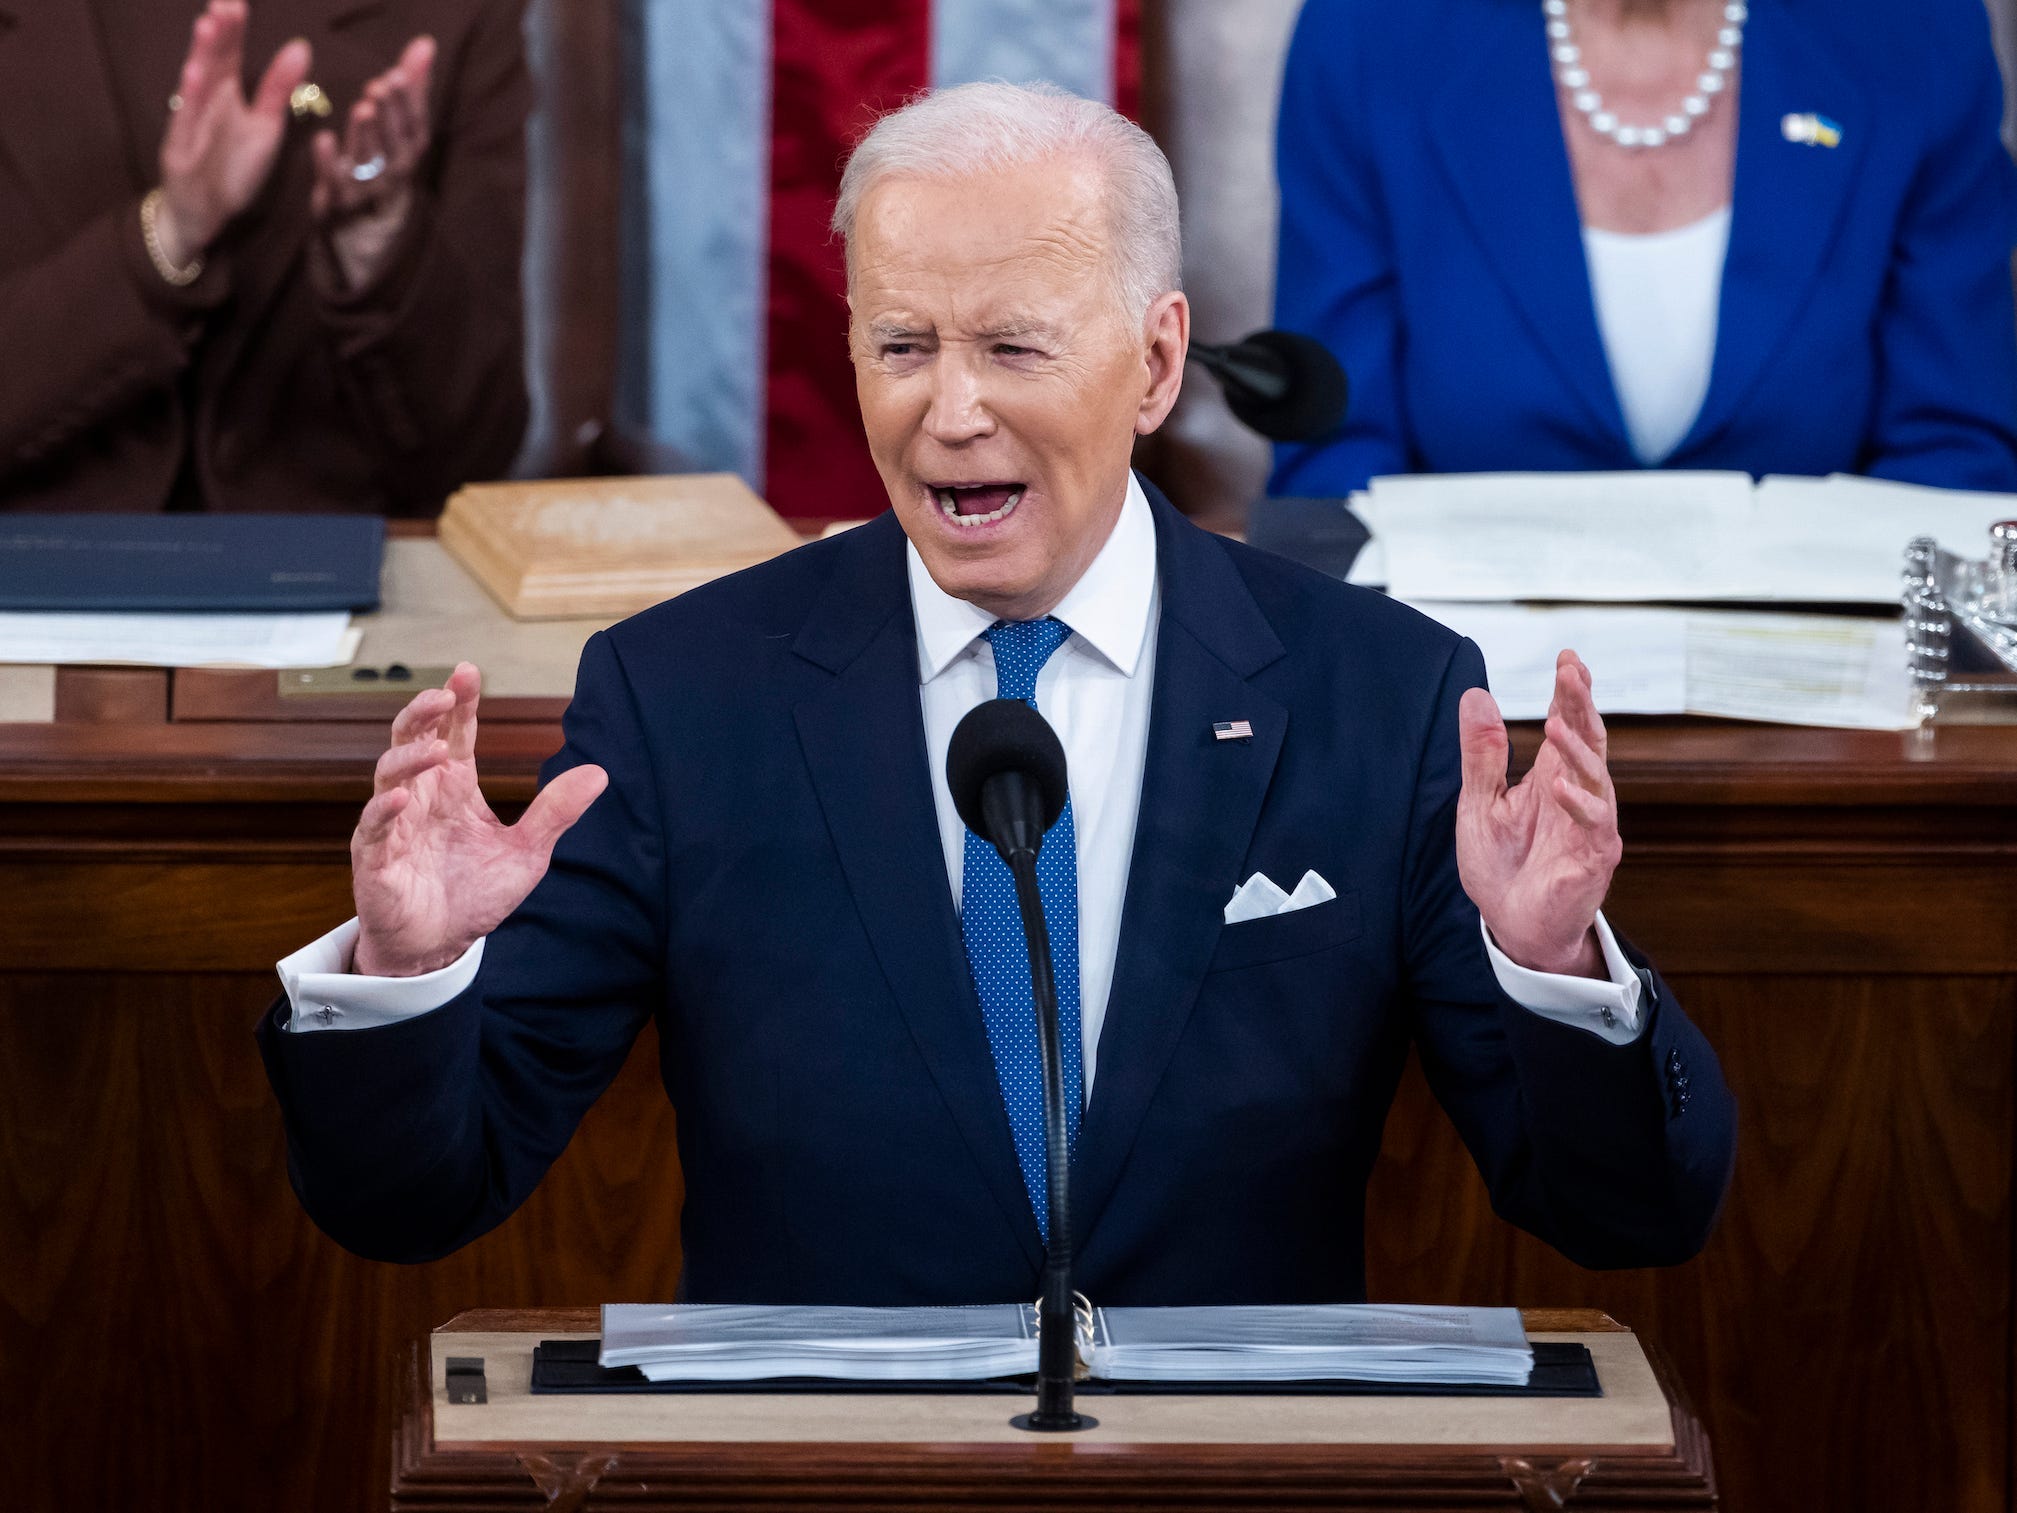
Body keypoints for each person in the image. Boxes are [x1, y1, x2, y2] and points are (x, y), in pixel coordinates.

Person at [258, 82, 1734, 1306]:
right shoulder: (681, 695)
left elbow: (1626, 1217)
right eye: (900, 346)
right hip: (820, 1481)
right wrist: (407, 976)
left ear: (1155, 362)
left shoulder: (1381, 693)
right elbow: (415, 1202)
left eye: (1013, 346)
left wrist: (1550, 966)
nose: (947, 412)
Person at [1270, 0, 2017, 497]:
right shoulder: (1366, 33)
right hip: (1466, 688)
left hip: (1833, 697)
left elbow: (1951, 450)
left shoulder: (1914, 31)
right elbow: (1333, 460)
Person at [0, 0, 528, 514]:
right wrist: (167, 235)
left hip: (348, 565)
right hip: (31, 565)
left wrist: (375, 242)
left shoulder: (457, 14)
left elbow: (476, 451)